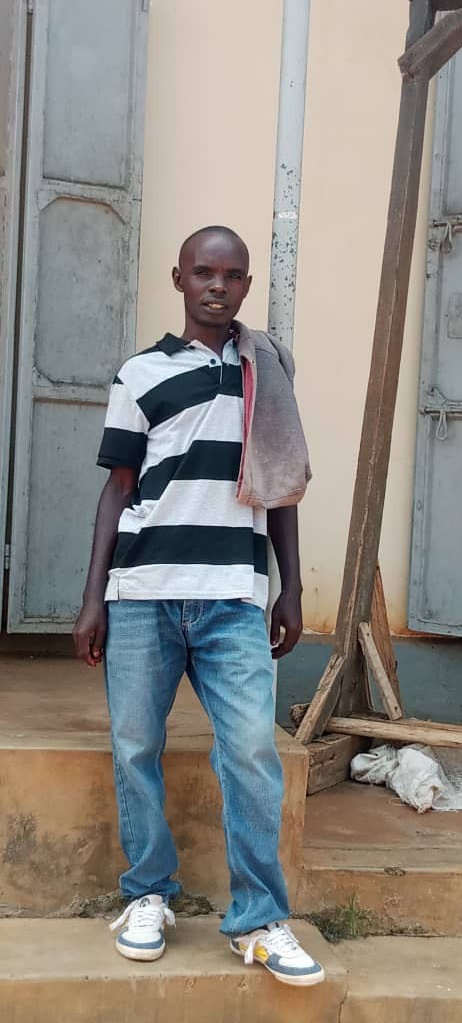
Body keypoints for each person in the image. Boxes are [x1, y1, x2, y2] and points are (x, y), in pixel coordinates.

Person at [73, 225, 324, 988]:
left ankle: (258, 920)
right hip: (142, 595)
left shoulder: (266, 373)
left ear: (247, 284)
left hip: (232, 600)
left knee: (250, 750)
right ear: (179, 279)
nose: (219, 285)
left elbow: (279, 487)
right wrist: (93, 599)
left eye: (233, 274)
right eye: (204, 272)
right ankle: (148, 893)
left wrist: (290, 586)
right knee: (135, 746)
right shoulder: (141, 373)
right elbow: (118, 488)